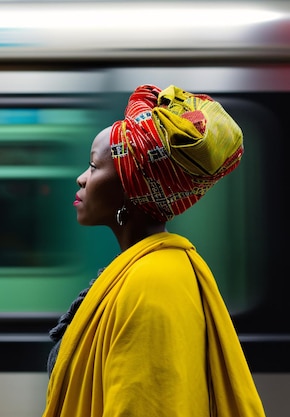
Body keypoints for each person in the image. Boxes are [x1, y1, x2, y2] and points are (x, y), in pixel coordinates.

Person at [43, 84, 266, 417]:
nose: (81, 179)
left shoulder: (152, 284)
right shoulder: (146, 270)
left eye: (93, 166)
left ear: (130, 187)